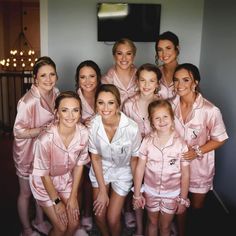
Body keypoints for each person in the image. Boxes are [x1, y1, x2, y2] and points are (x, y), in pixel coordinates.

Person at [171, 63, 228, 236]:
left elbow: (220, 139)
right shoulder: (169, 106)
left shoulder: (210, 110)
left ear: (195, 82)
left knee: (195, 208)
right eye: (176, 80)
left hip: (199, 168)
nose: (180, 85)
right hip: (175, 167)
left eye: (185, 80)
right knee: (178, 203)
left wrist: (196, 152)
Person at [29, 91, 90, 236]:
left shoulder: (84, 133)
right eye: (65, 110)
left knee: (74, 224)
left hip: (66, 179)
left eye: (75, 110)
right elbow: (44, 175)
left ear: (80, 112)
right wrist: (57, 202)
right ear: (57, 113)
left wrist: (73, 196)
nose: (70, 116)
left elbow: (79, 165)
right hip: (44, 183)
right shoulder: (45, 140)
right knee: (61, 227)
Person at [13, 56, 59, 236]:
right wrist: (41, 129)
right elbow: (18, 131)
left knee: (41, 189)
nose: (48, 79)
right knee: (25, 193)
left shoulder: (55, 92)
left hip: (45, 151)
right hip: (26, 152)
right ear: (35, 78)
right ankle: (26, 230)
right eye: (43, 76)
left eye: (52, 74)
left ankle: (40, 221)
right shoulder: (28, 101)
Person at [88, 84, 142, 236]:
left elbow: (134, 160)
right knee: (99, 216)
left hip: (123, 171)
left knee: (112, 219)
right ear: (96, 104)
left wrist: (137, 191)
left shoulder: (132, 128)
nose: (105, 108)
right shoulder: (92, 125)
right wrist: (102, 191)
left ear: (118, 104)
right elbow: (95, 158)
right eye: (100, 102)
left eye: (110, 102)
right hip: (101, 170)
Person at [133, 99, 190, 236]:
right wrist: (137, 194)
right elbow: (140, 168)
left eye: (165, 116)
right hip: (151, 191)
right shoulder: (147, 141)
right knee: (152, 223)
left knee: (165, 226)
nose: (162, 121)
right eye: (157, 118)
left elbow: (186, 174)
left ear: (172, 118)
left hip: (172, 194)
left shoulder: (180, 144)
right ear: (152, 122)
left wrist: (183, 199)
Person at [123, 63, 162, 235]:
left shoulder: (162, 104)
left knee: (154, 192)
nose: (147, 85)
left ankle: (156, 225)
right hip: (134, 157)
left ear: (157, 84)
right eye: (143, 80)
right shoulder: (129, 104)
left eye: (151, 81)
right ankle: (139, 228)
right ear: (137, 82)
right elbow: (123, 132)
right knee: (137, 191)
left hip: (156, 157)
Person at [75, 60, 101, 232]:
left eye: (91, 76)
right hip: (81, 146)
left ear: (98, 78)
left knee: (102, 180)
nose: (87, 81)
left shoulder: (105, 95)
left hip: (102, 146)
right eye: (83, 77)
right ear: (77, 79)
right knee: (82, 181)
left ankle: (107, 210)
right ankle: (85, 213)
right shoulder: (74, 98)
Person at [102, 38, 138, 108]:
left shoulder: (141, 76)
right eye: (119, 53)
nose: (124, 58)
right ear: (114, 56)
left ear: (133, 56)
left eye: (128, 53)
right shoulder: (106, 80)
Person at [155, 31, 180, 99]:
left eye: (168, 48)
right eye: (160, 50)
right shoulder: (154, 73)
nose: (164, 53)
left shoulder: (186, 73)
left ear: (177, 48)